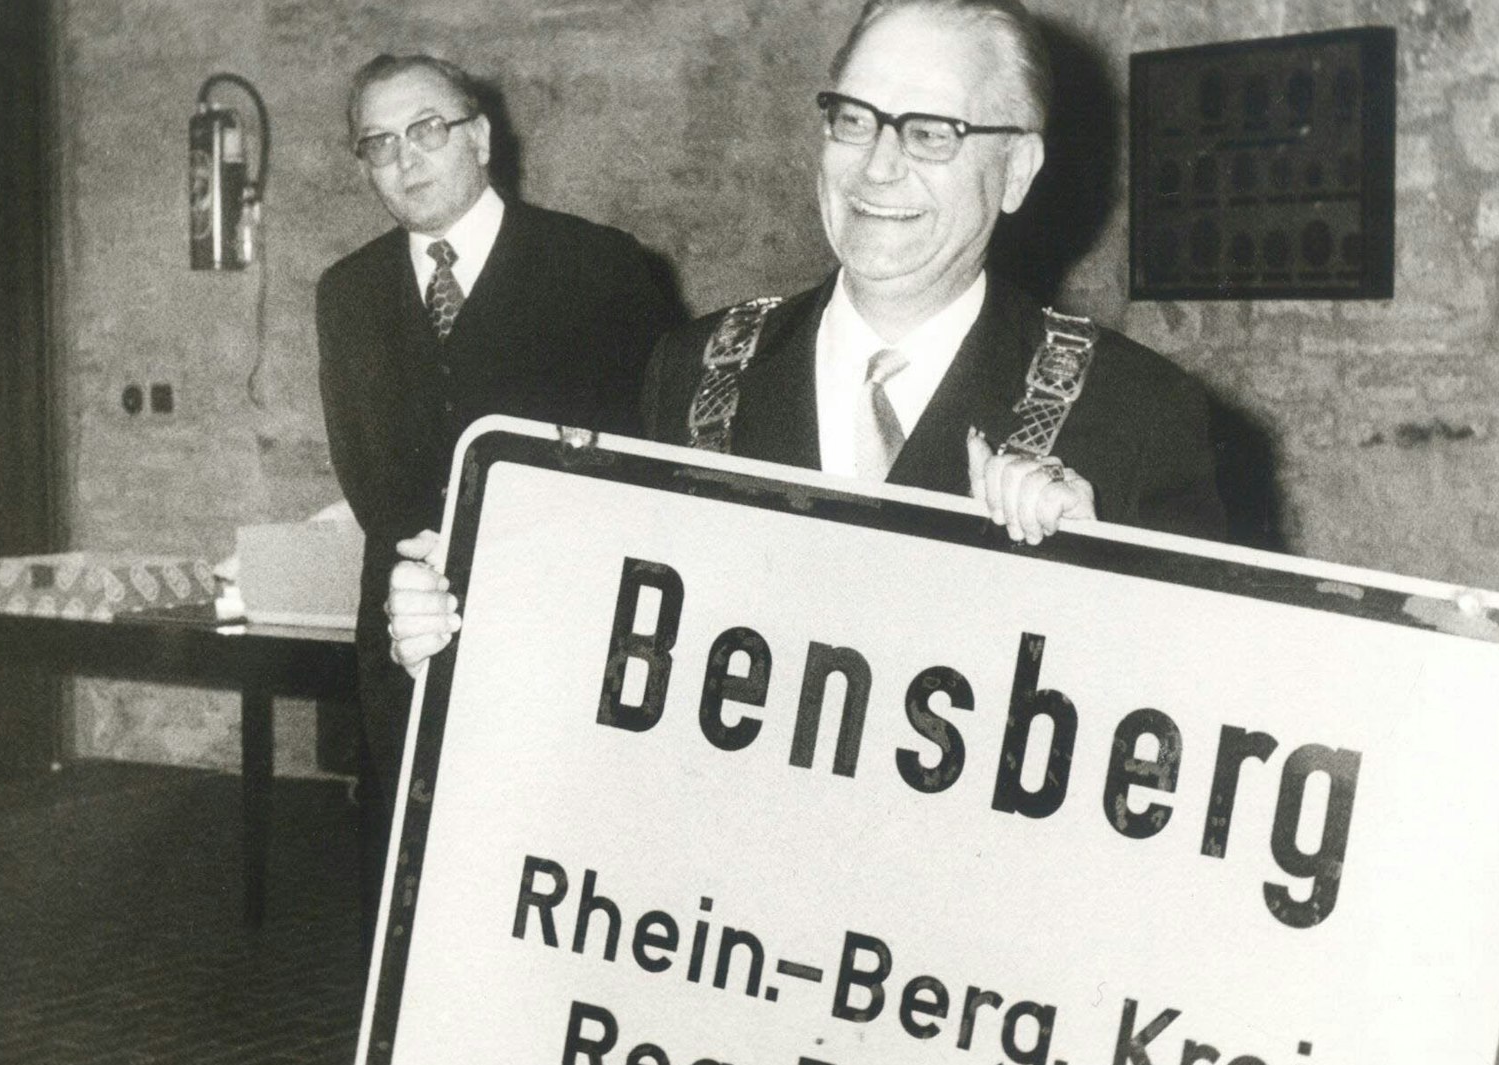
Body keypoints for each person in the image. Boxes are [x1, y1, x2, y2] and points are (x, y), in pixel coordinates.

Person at [384, 0, 1226, 676]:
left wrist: (1105, 588)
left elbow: (1213, 730)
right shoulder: (696, 370)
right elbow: (623, 639)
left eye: (931, 132)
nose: (878, 167)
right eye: (854, 120)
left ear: (1016, 172)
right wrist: (461, 624)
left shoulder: (1133, 417)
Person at [316, 53, 676, 938]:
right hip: (405, 639)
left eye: (428, 130)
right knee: (411, 892)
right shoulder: (349, 293)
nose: (406, 158)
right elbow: (366, 468)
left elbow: (653, 462)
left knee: (553, 889)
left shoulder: (598, 266)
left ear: (479, 135)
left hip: (560, 633)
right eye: (379, 143)